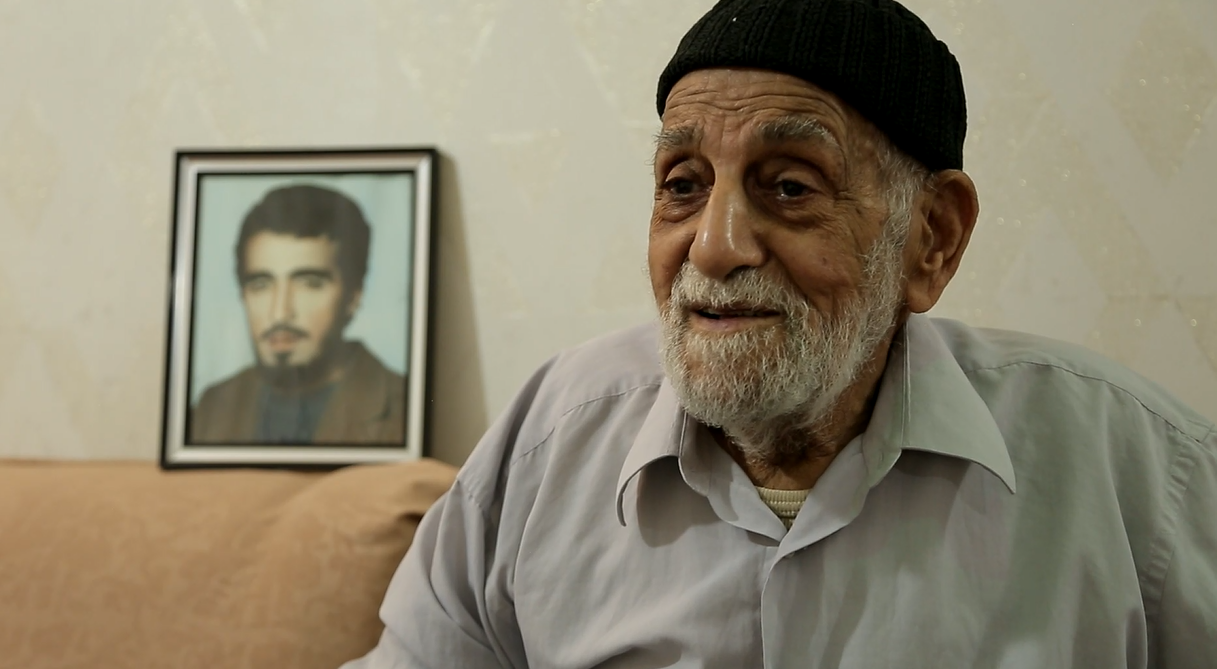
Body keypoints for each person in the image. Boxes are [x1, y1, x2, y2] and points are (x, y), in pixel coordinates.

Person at [344, 0, 1217, 666]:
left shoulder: (1143, 477)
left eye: (790, 186)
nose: (713, 246)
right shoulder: (547, 443)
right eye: (682, 184)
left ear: (931, 238)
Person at [190, 183, 405, 446]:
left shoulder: (403, 409)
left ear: (353, 297)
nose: (280, 313)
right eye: (261, 285)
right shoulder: (211, 408)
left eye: (309, 284)